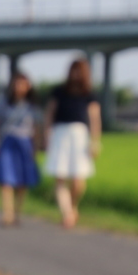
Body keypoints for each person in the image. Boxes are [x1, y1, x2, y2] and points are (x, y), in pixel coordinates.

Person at [44, 58, 101, 229]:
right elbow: (50, 114)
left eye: (78, 70)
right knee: (60, 177)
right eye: (73, 70)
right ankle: (67, 213)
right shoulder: (59, 91)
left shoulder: (89, 94)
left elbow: (95, 119)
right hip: (60, 134)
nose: (75, 74)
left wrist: (95, 141)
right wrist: (46, 136)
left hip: (80, 136)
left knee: (78, 180)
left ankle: (73, 206)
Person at [0, 70, 41, 226]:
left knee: (22, 181)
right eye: (16, 83)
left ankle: (17, 213)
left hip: (25, 142)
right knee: (5, 179)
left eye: (22, 83)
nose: (19, 86)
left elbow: (37, 128)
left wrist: (36, 147)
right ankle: (7, 213)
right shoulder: (3, 102)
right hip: (7, 141)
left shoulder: (32, 106)